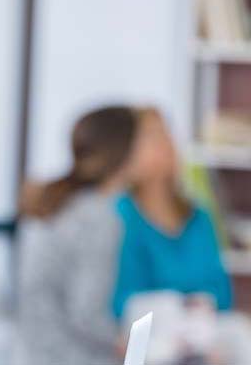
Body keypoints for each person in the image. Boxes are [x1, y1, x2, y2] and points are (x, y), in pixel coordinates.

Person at [112, 108, 250, 364]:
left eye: (164, 134)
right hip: (149, 336)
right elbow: (123, 301)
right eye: (150, 137)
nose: (162, 144)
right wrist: (176, 308)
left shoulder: (199, 216)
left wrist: (196, 314)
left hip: (201, 330)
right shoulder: (120, 217)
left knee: (239, 336)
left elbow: (221, 291)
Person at [15, 105, 141, 365]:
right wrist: (128, 342)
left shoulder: (65, 203)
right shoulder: (99, 218)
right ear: (125, 152)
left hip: (34, 352)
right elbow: (87, 313)